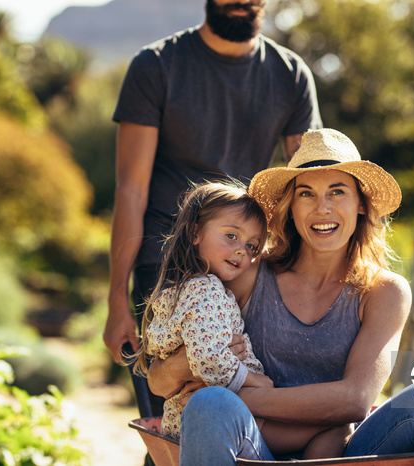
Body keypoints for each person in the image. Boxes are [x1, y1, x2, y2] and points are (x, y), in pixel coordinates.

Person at [148, 128, 414, 464]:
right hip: (258, 449)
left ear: (361, 204)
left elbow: (356, 400)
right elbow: (159, 382)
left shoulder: (384, 292)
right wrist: (190, 361)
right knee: (208, 405)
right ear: (291, 207)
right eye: (306, 194)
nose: (322, 208)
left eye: (337, 192)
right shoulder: (248, 275)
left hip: (342, 453)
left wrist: (238, 393)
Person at [104, 0, 322, 418]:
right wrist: (117, 300)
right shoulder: (156, 66)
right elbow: (131, 190)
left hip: (249, 270)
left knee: (245, 421)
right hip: (165, 267)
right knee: (166, 424)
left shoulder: (290, 74)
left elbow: (307, 184)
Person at [133, 181, 352, 459]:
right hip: (221, 414)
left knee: (331, 429)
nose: (241, 251)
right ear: (195, 232)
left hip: (213, 411)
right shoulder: (205, 290)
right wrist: (255, 381)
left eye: (251, 246)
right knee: (333, 429)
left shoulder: (192, 289)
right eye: (231, 236)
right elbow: (209, 358)